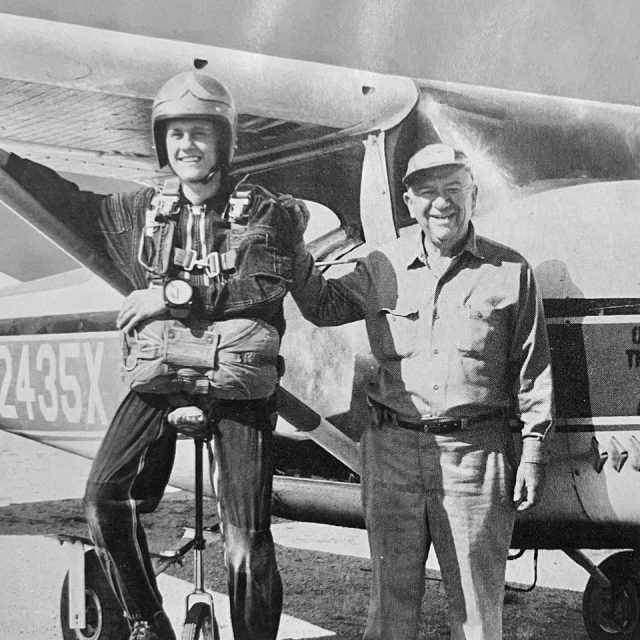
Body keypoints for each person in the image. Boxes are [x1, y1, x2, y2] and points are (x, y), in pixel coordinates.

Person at [0, 70, 305, 640]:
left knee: (246, 537)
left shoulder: (266, 210)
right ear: (163, 142)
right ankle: (148, 623)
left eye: (200, 133)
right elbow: (67, 201)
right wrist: (8, 164)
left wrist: (167, 294)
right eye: (176, 134)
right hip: (163, 375)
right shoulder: (141, 211)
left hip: (237, 385)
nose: (187, 146)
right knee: (105, 499)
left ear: (224, 141)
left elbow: (261, 281)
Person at [289, 143, 554, 640]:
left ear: (473, 195)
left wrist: (535, 453)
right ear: (409, 203)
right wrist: (292, 248)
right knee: (391, 612)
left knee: (477, 616)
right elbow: (322, 307)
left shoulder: (510, 272)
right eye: (427, 192)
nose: (442, 203)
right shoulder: (381, 265)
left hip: (475, 458)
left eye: (454, 189)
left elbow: (532, 369)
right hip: (392, 454)